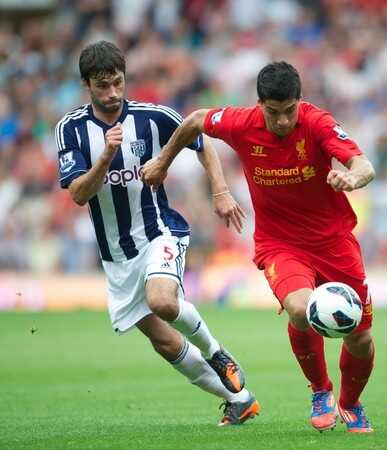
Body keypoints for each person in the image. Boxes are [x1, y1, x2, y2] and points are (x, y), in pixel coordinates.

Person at [141, 61, 376, 433]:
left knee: (361, 336)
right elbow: (195, 120)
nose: (282, 121)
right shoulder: (241, 123)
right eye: (273, 112)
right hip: (280, 244)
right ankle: (321, 390)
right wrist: (162, 161)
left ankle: (351, 403)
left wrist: (351, 177)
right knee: (300, 309)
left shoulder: (317, 123)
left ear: (300, 102)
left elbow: (364, 165)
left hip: (334, 242)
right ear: (259, 104)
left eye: (289, 111)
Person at [55, 40, 260, 426]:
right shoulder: (71, 130)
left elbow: (201, 141)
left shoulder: (153, 116)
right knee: (164, 341)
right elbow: (79, 194)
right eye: (103, 86)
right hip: (116, 257)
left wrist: (219, 191)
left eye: (118, 82)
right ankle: (240, 399)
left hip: (158, 231)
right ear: (87, 85)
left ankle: (217, 353)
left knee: (163, 301)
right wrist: (104, 158)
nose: (113, 93)